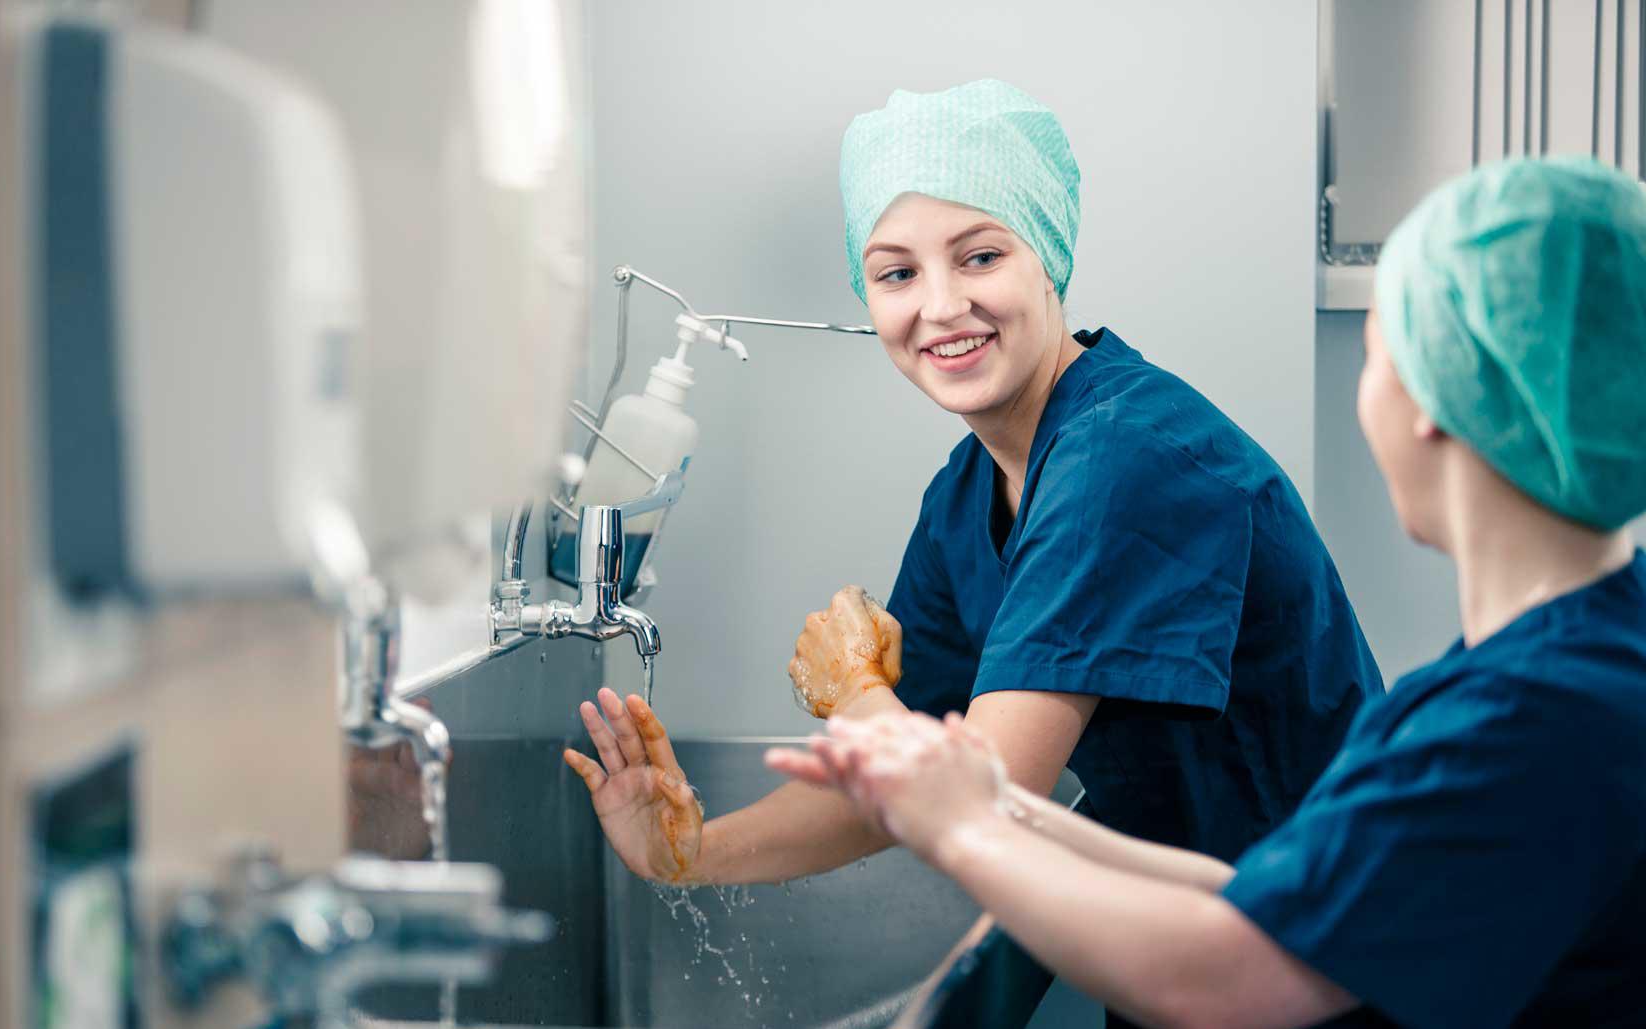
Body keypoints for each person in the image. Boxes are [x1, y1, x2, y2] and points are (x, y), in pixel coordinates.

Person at [771, 156, 1646, 1028]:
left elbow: (1235, 973)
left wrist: (963, 821)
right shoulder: (1565, 666)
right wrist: (975, 803)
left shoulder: (1521, 722)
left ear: (1432, 401)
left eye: (1378, 353)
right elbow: (1258, 897)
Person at [564, 78, 1377, 939]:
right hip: (1212, 954)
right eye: (897, 273)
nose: (942, 305)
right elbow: (906, 776)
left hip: (1327, 955)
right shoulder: (968, 493)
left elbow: (978, 794)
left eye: (981, 256)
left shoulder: (1123, 457)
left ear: (1049, 256)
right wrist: (689, 853)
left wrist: (852, 691)